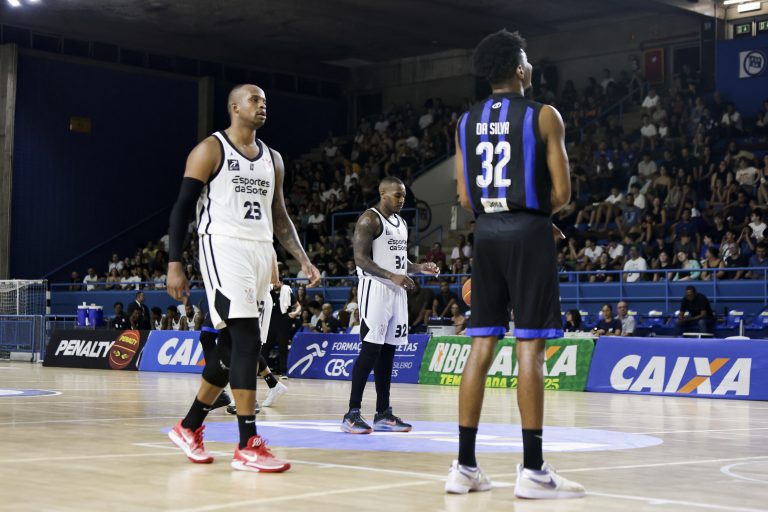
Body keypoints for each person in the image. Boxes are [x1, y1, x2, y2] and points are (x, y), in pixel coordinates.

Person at [448, 30, 584, 499]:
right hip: (529, 234)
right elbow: (562, 193)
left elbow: (465, 197)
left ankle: (464, 467)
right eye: (527, 59)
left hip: (485, 234)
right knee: (530, 349)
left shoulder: (466, 122)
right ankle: (533, 470)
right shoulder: (544, 115)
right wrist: (536, 219)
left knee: (480, 346)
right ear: (520, 69)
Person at [165, 83, 320, 474]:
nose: (262, 105)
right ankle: (248, 443)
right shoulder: (210, 150)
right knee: (248, 339)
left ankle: (189, 427)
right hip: (223, 246)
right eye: (254, 100)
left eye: (265, 101)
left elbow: (280, 216)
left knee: (232, 347)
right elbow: (182, 208)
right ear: (234, 107)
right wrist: (174, 263)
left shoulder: (273, 159)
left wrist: (302, 259)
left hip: (260, 250)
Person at [341, 176, 439, 435]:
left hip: (397, 292)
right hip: (375, 289)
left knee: (388, 353)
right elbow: (360, 259)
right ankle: (351, 413)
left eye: (403, 195)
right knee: (370, 351)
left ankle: (383, 413)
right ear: (382, 193)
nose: (402, 199)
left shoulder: (401, 223)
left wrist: (420, 267)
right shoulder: (369, 219)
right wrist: (391, 276)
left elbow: (400, 261)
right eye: (397, 195)